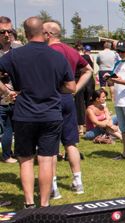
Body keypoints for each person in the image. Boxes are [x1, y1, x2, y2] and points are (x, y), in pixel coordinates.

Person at [0, 16, 75, 208]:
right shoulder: (57, 56)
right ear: (43, 32)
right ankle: (44, 204)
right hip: (51, 114)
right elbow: (71, 87)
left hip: (24, 114)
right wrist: (56, 89)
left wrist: (8, 91)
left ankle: (29, 203)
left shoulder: (15, 55)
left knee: (25, 159)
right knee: (46, 159)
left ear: (25, 34)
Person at [44, 20, 93, 197]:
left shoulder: (48, 52)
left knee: (50, 145)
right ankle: (78, 182)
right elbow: (88, 69)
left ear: (48, 34)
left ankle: (53, 187)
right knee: (71, 142)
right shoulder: (72, 51)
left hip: (52, 99)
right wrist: (75, 89)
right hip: (67, 99)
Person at [0, 16, 20, 164]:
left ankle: (19, 153)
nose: (7, 34)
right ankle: (6, 155)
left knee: (19, 127)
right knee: (6, 127)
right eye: (2, 32)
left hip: (19, 97)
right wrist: (7, 92)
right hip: (3, 97)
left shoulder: (19, 49)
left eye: (9, 31)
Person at [75, 44, 95, 136]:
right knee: (89, 104)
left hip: (79, 81)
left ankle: (81, 128)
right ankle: (90, 125)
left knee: (79, 105)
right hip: (89, 81)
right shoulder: (90, 56)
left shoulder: (75, 57)